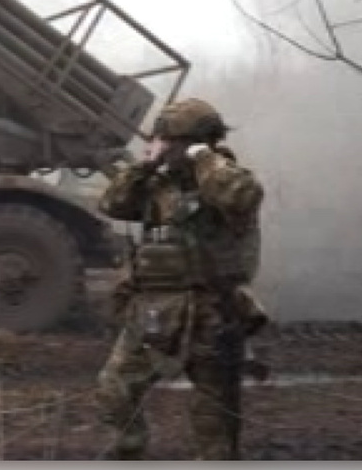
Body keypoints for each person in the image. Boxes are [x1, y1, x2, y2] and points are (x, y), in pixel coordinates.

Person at [93, 98, 270, 460]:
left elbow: (241, 197)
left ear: (196, 143)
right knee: (115, 387)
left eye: (170, 140)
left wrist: (205, 157)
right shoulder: (157, 184)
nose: (162, 146)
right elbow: (112, 204)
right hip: (156, 311)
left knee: (214, 414)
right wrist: (144, 166)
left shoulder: (227, 179)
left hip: (212, 310)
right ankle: (128, 450)